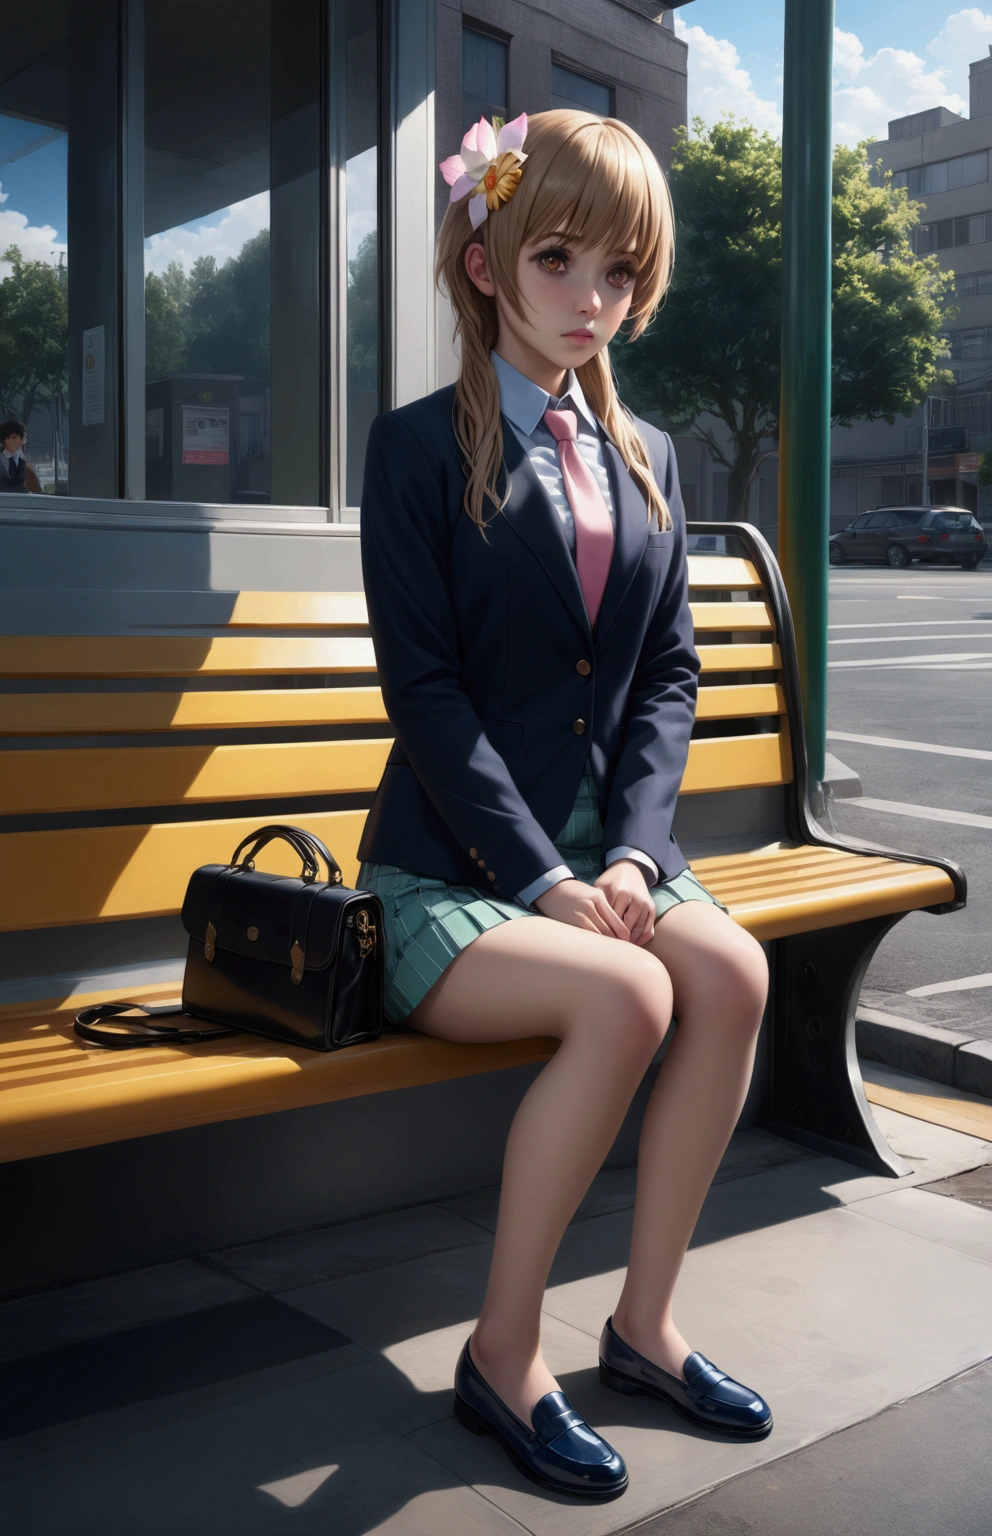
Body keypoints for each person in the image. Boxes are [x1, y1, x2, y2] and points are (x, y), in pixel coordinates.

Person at [358, 110, 772, 1502]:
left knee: (730, 972)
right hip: (451, 869)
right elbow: (428, 701)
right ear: (485, 263)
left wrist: (646, 862)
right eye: (557, 260)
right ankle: (506, 1353)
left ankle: (647, 1327)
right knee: (628, 1000)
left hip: (607, 860)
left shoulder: (649, 452)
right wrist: (547, 881)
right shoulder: (418, 450)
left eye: (620, 274)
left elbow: (665, 679)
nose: (591, 301)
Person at [0, 420, 43, 493]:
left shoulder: (27, 467)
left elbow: (37, 492)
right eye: (7, 438)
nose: (10, 441)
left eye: (14, 438)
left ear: (23, 439)